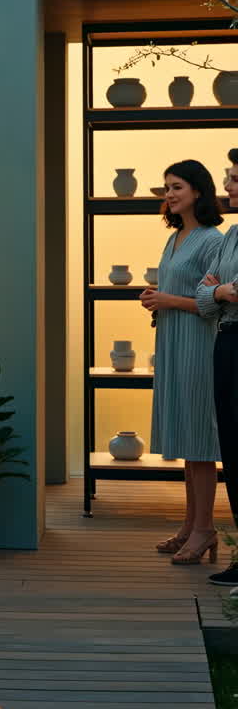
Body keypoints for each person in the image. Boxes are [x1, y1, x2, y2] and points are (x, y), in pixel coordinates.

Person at [140, 160, 223, 565]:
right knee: (189, 440)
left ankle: (205, 529)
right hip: (173, 341)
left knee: (200, 441)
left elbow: (214, 302)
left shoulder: (212, 240)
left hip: (199, 345)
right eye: (167, 187)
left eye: (177, 187)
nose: (169, 194)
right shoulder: (176, 237)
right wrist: (158, 299)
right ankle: (191, 527)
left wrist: (167, 299)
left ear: (198, 192)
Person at [196, 160, 238, 587]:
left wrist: (219, 290)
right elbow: (205, 297)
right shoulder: (232, 235)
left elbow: (225, 291)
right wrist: (219, 291)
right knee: (232, 449)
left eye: (235, 178)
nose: (227, 185)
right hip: (225, 341)